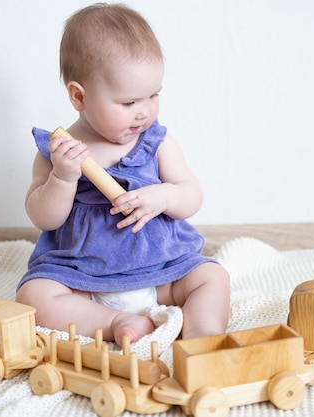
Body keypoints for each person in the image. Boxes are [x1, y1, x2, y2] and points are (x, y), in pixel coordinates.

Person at [16, 3, 230, 346]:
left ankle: (202, 335)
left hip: (163, 273)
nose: (144, 111)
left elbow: (192, 194)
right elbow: (44, 218)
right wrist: (63, 178)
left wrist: (165, 196)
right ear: (79, 96)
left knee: (211, 276)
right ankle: (116, 322)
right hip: (82, 279)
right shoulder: (58, 153)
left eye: (153, 95)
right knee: (33, 297)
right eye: (129, 102)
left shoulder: (157, 142)